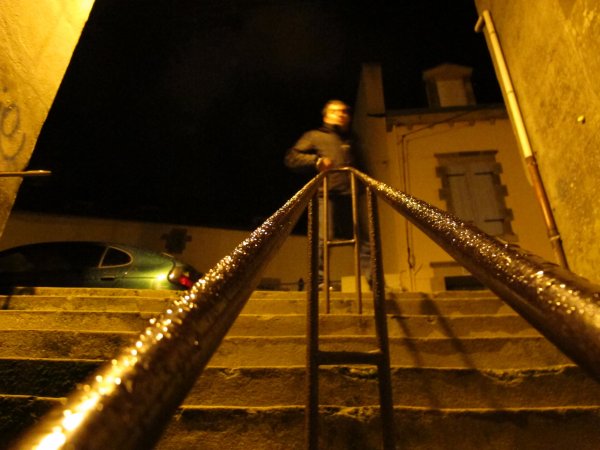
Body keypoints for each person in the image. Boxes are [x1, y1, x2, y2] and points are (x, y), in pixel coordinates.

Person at [284, 99, 370, 289]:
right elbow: (292, 157)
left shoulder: (352, 140)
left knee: (364, 240)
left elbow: (363, 166)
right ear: (326, 116)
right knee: (323, 238)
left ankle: (375, 280)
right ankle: (319, 281)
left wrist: (367, 185)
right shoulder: (315, 136)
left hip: (351, 195)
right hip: (326, 195)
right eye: (335, 111)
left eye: (344, 111)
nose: (341, 114)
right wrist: (317, 161)